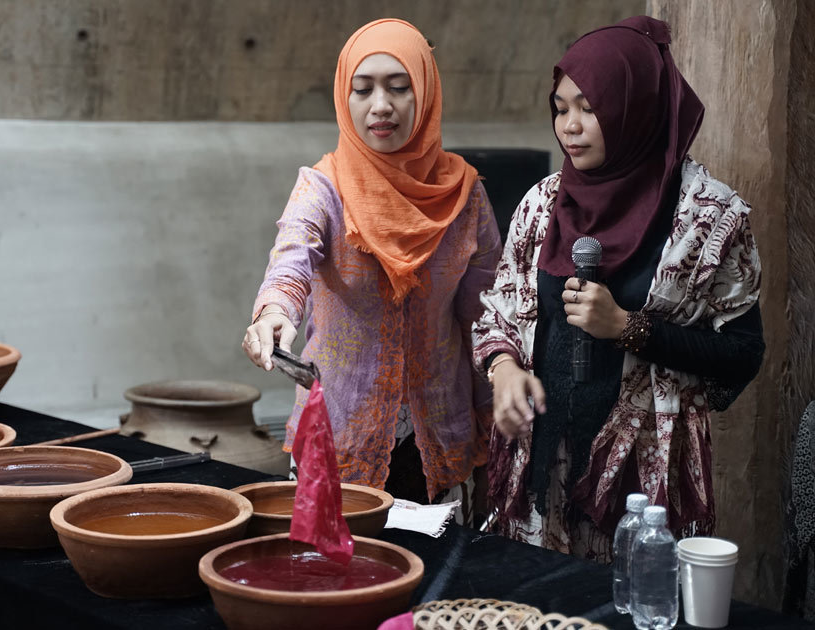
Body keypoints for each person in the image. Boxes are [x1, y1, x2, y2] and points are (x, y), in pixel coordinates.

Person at [472, 15, 764, 560]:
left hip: (638, 493)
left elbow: (743, 355)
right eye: (560, 109)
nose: (570, 127)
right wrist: (505, 369)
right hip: (539, 481)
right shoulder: (541, 204)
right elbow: (498, 316)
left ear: (637, 108)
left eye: (590, 108)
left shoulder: (707, 218)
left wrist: (629, 328)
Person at [242, 18, 501, 524]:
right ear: (345, 97)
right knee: (334, 583)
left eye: (398, 87)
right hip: (339, 436)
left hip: (438, 439)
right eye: (362, 89)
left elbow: (483, 316)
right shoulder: (323, 188)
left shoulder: (466, 196)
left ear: (423, 93)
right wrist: (275, 312)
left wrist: (494, 421)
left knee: (429, 585)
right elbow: (293, 254)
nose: (379, 105)